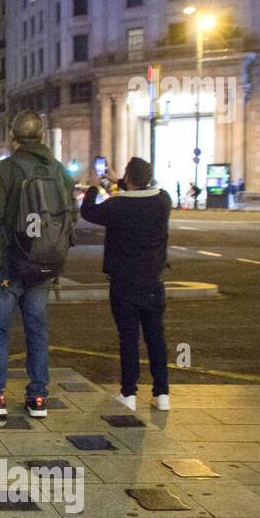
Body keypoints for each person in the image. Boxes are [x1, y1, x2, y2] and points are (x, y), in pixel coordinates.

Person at [0, 112, 76, 418]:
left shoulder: (6, 169)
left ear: (13, 137)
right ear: (42, 136)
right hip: (43, 263)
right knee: (37, 330)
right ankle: (38, 398)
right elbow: (71, 214)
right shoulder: (60, 171)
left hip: (7, 262)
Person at [80, 156, 171, 412]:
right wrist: (118, 180)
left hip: (124, 282)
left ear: (129, 179)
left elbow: (88, 211)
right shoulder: (163, 201)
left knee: (128, 339)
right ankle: (162, 393)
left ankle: (129, 393)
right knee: (156, 337)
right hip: (154, 281)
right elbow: (142, 189)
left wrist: (95, 187)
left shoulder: (116, 206)